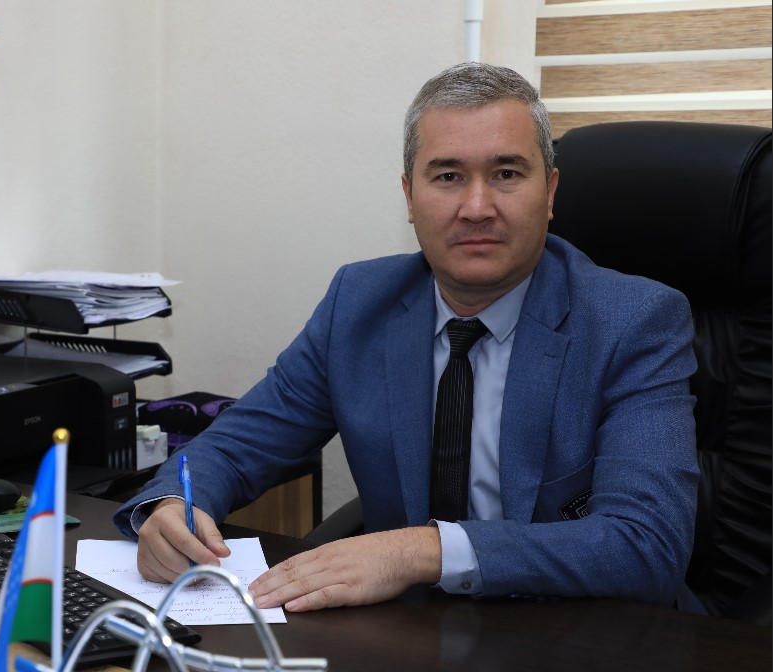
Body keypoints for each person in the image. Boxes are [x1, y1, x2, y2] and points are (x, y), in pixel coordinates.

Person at [114, 62, 699, 612]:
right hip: (410, 630)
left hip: (580, 631)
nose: (477, 207)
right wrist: (172, 505)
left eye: (506, 174)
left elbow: (646, 544)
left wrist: (422, 550)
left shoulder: (635, 321)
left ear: (548, 192)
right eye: (448, 176)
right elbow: (239, 444)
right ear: (409, 197)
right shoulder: (357, 303)